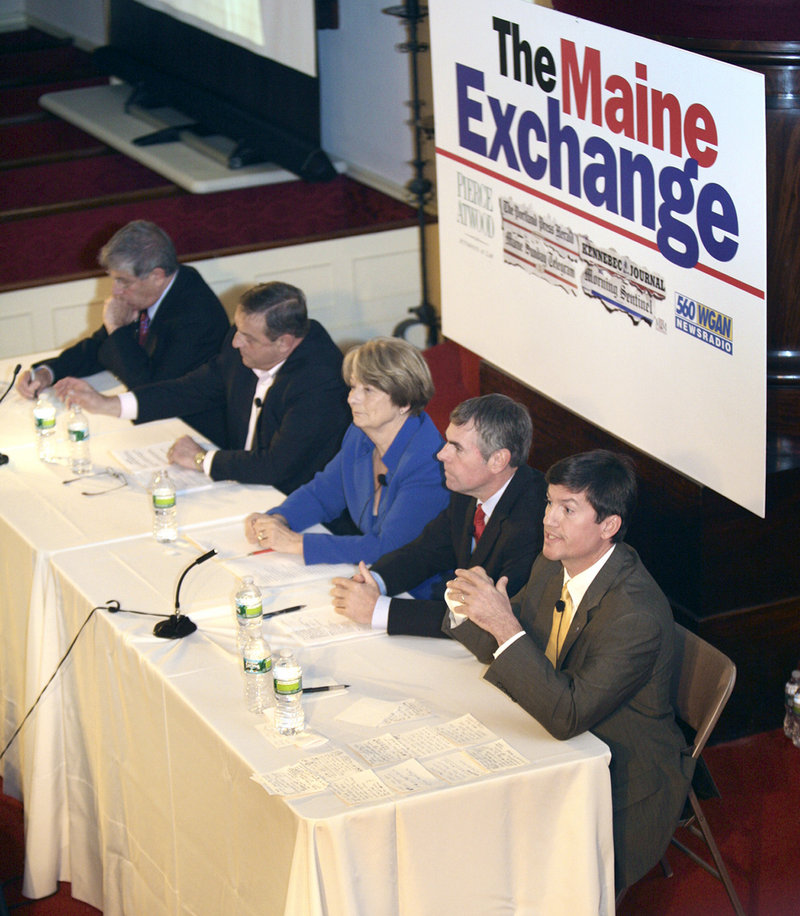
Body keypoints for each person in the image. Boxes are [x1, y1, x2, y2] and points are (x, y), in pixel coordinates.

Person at [444, 449, 694, 893]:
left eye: (567, 509)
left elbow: (567, 715)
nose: (548, 520)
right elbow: (507, 644)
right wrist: (467, 608)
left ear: (608, 526)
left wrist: (503, 623)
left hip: (623, 775)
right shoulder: (552, 563)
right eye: (548, 503)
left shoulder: (634, 613)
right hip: (559, 733)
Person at [56, 282, 351, 492]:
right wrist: (109, 404)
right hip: (243, 485)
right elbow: (189, 390)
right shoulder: (243, 348)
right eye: (237, 330)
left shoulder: (320, 382)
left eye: (248, 338)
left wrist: (201, 459)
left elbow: (275, 466)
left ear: (285, 342)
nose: (235, 343)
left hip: (296, 503)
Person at [330, 394, 546, 636]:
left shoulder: (536, 522)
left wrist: (380, 610)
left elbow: (486, 616)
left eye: (457, 448)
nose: (441, 454)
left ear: (498, 460)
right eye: (447, 442)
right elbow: (427, 551)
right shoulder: (468, 490)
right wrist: (375, 581)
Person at [245, 337, 449, 580]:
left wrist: (297, 543)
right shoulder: (360, 435)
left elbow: (388, 548)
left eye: (368, 390)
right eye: (353, 387)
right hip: (371, 575)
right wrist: (277, 519)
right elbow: (323, 494)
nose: (352, 398)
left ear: (404, 401)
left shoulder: (430, 463)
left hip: (419, 592)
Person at [16, 221, 229, 408]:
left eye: (123, 282)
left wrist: (117, 329)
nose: (115, 291)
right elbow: (100, 347)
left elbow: (152, 392)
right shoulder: (152, 291)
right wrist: (48, 372)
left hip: (194, 425)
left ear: (157, 276)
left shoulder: (195, 316)